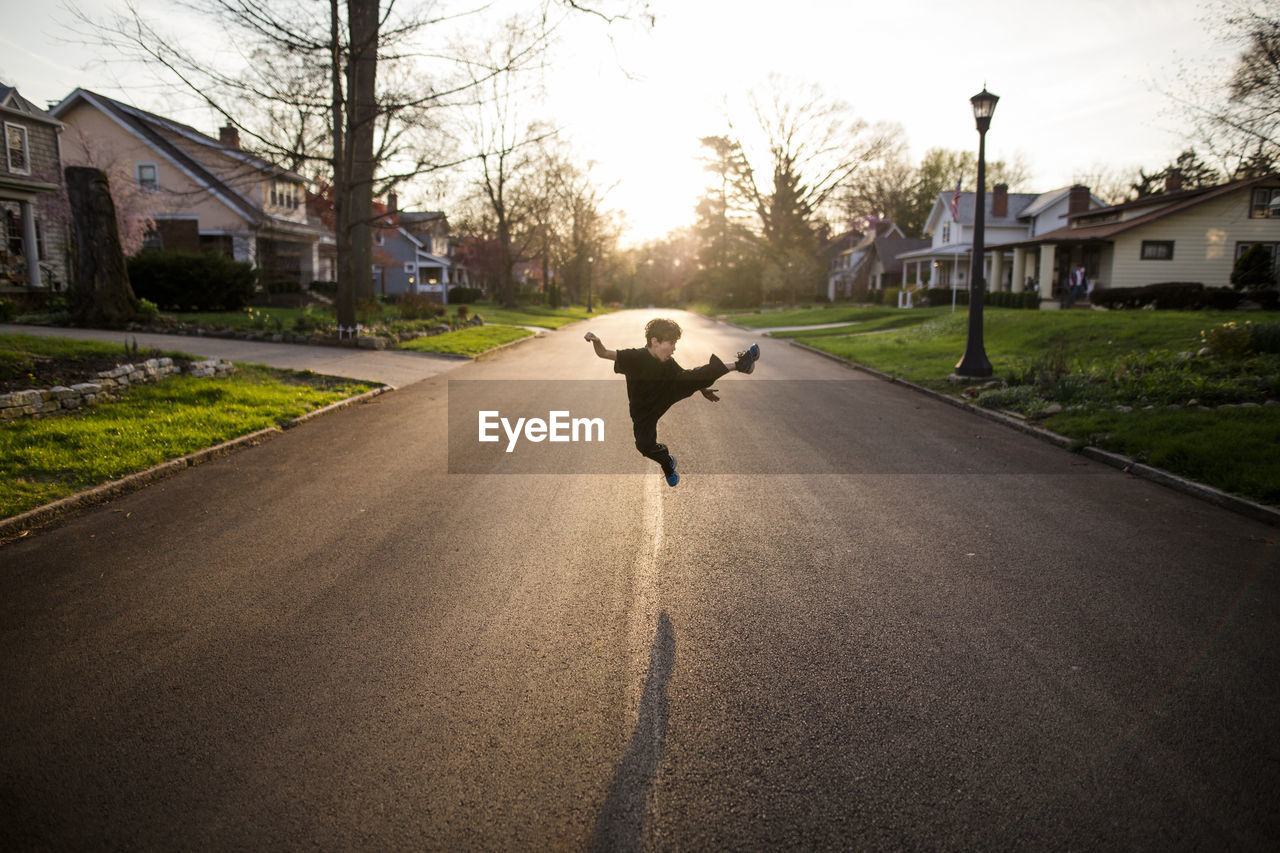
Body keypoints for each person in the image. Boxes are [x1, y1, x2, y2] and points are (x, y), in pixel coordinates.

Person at [585, 318, 760, 487]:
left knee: (689, 377)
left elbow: (690, 377)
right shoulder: (634, 356)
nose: (674, 349)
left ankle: (740, 364)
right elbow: (603, 353)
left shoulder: (668, 361)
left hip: (666, 394)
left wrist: (703, 389)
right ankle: (667, 462)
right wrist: (596, 341)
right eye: (671, 343)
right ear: (655, 341)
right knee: (644, 446)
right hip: (643, 410)